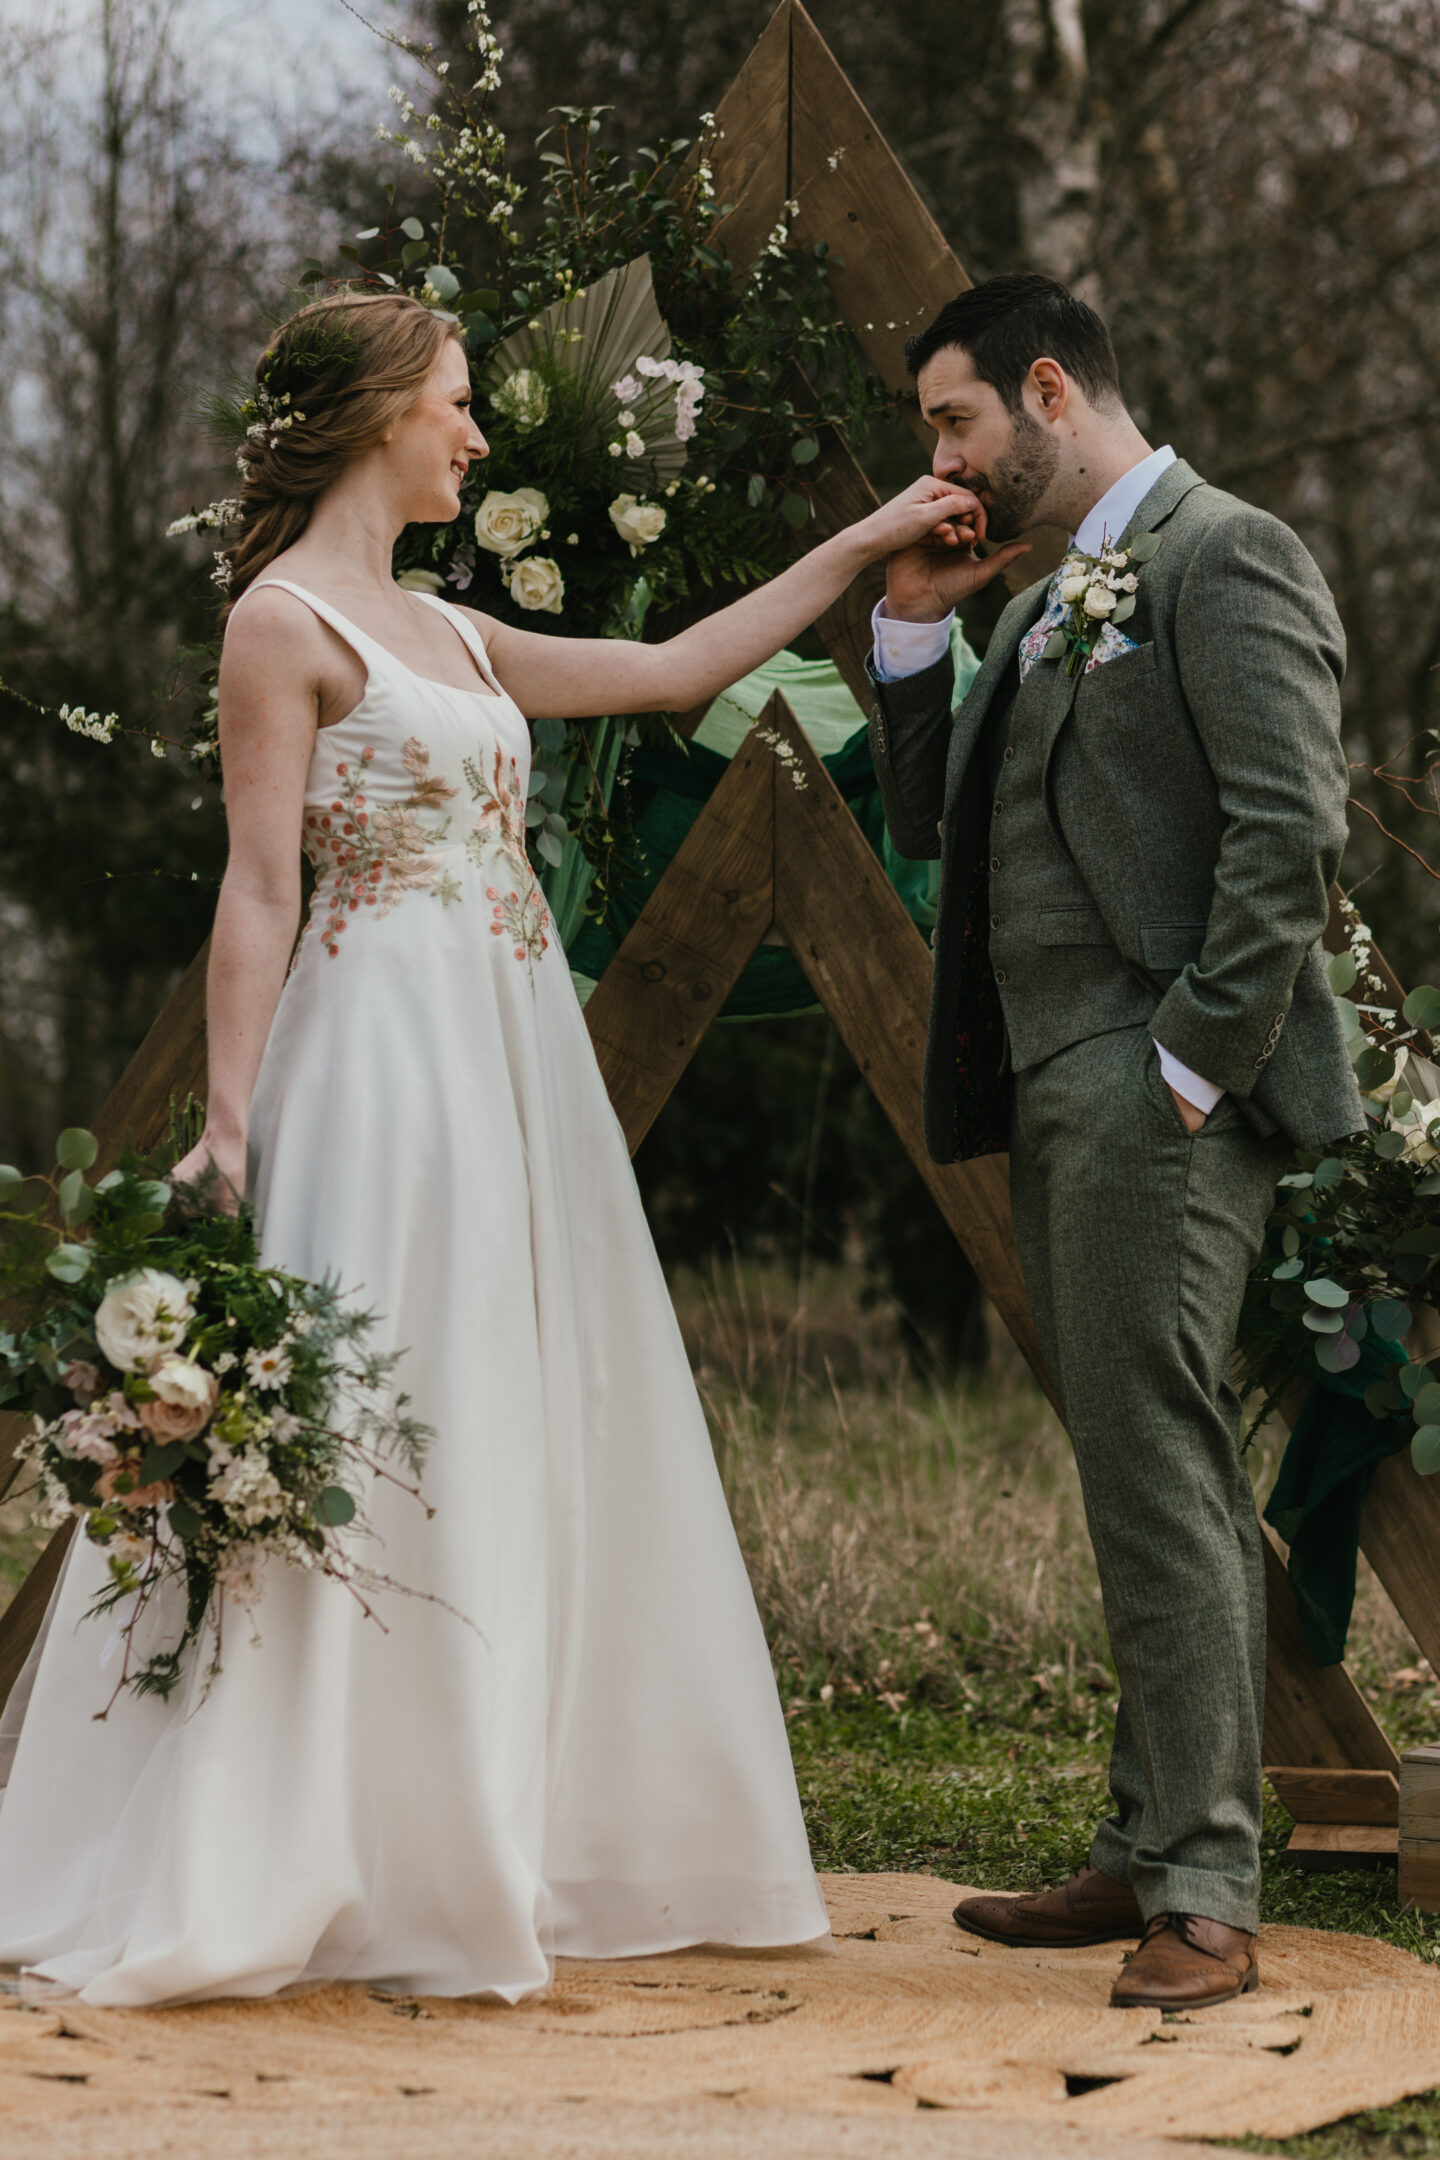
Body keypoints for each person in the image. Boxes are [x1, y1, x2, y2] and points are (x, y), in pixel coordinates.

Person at [0, 290, 1009, 2007]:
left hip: (504, 1045)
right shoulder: (282, 622)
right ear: (381, 412)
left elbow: (687, 668)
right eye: (458, 405)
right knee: (386, 1384)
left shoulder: (452, 632)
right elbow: (257, 889)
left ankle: (492, 1822)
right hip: (380, 1057)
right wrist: (230, 1124)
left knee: (509, 1396)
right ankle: (317, 1839)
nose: (475, 434)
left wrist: (869, 538)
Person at [867, 272, 1362, 2010]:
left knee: (1156, 1465)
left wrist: (1187, 1070)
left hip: (1162, 1088)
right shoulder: (1042, 603)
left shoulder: (1226, 556)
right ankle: (1150, 1841)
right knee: (1137, 1467)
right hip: (1060, 1083)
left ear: (1051, 391)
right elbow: (933, 824)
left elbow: (1291, 835)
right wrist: (920, 629)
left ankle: (1208, 1896)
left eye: (953, 420)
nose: (940, 455)